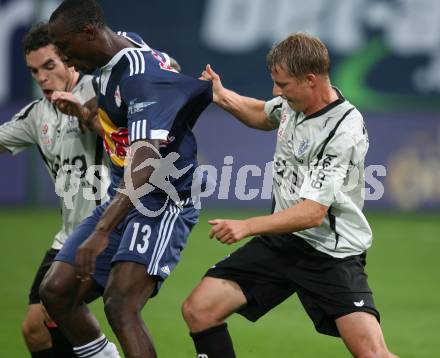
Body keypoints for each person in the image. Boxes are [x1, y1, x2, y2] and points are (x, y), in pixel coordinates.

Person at [182, 33, 399, 358]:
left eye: (282, 85)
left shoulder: (342, 131)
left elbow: (313, 212)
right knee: (199, 310)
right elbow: (264, 113)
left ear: (310, 80)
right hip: (282, 242)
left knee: (372, 354)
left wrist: (247, 226)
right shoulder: (293, 104)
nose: (276, 92)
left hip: (330, 254)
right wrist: (221, 96)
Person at [39, 0, 212, 357]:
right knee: (56, 292)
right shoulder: (119, 49)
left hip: (163, 199)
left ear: (88, 32)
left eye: (67, 48)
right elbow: (168, 70)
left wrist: (102, 232)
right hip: (125, 194)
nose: (67, 61)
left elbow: (146, 165)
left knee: (120, 304)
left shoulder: (140, 76)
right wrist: (90, 113)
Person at [0, 22, 109, 357]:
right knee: (35, 328)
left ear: (70, 61)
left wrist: (87, 117)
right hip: (68, 236)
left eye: (49, 66)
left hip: (108, 230)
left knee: (55, 306)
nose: (42, 78)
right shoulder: (37, 115)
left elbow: (136, 143)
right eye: (34, 71)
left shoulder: (101, 92)